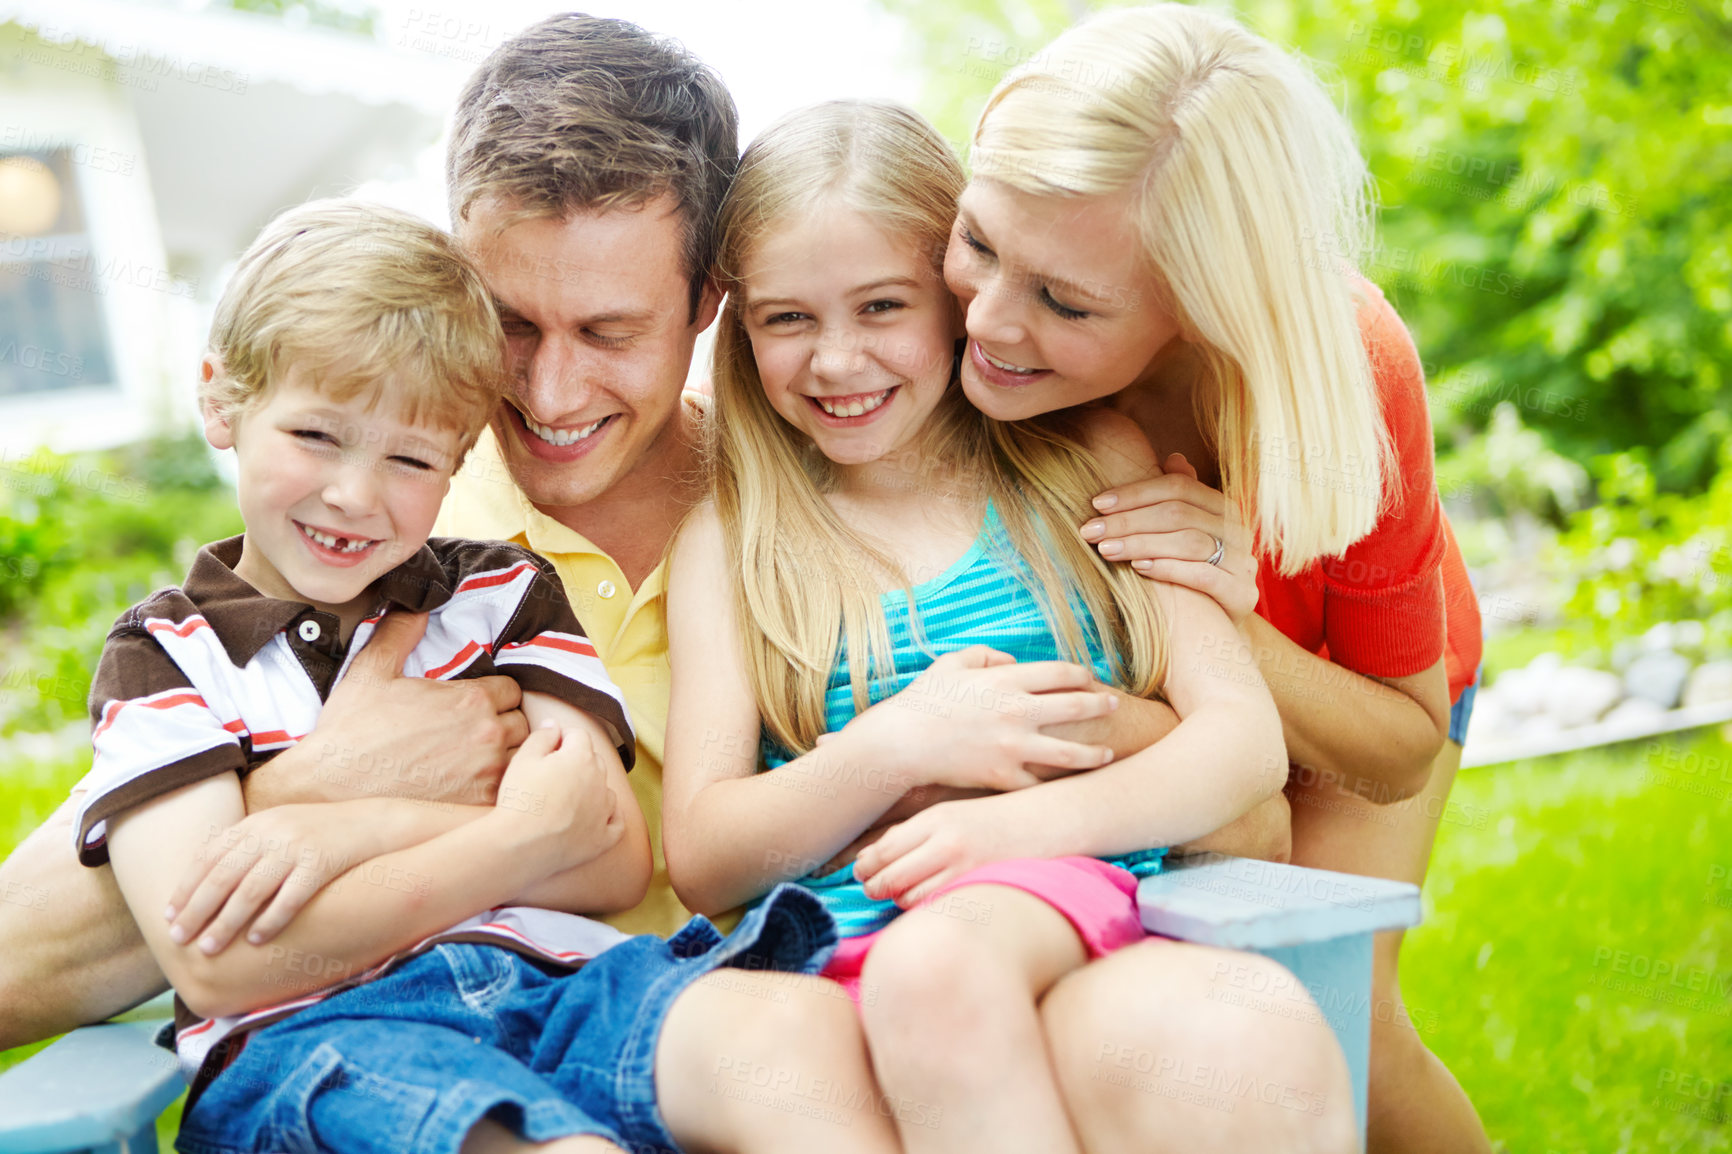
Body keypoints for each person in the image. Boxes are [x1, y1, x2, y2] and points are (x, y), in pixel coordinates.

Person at [0, 14, 1328, 1153]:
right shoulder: (388, 541)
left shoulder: (794, 508)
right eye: (513, 324)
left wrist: (1094, 722)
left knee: (1224, 1043)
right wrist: (315, 786)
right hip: (467, 1056)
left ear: (706, 305)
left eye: (610, 331)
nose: (552, 390)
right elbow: (34, 951)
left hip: (723, 1019)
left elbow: (1247, 809)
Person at [81, 196, 904, 1154]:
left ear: (461, 456)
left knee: (795, 1035)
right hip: (326, 1039)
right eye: (316, 437)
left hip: (565, 984)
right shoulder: (167, 659)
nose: (355, 494)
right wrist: (518, 836)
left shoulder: (497, 594)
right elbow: (224, 962)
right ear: (222, 399)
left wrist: (362, 827)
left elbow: (607, 857)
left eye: (409, 457)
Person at [661, 100, 1353, 1154]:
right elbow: (705, 854)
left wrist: (1004, 829)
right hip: (831, 953)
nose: (837, 361)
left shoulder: (1085, 466)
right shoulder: (737, 537)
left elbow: (1243, 741)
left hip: (1049, 905)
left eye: (882, 305)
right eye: (786, 319)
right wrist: (898, 743)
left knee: (950, 968)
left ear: (952, 297)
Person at [939, 6, 1490, 1152]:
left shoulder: (1343, 367)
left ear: (1195, 304)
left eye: (1066, 304)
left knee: (1338, 1008)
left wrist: (1233, 617)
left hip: (1349, 694)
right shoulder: (978, 314)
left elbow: (1397, 745)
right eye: (979, 243)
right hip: (1162, 697)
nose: (988, 320)